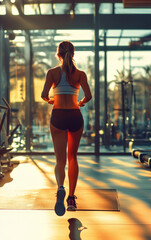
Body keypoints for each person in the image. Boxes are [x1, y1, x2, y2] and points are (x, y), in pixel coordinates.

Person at [41, 41, 92, 216]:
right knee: (72, 157)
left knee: (59, 160)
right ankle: (71, 197)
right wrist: (80, 102)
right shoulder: (80, 74)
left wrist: (52, 100)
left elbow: (43, 95)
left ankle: (60, 187)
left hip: (58, 116)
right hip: (75, 115)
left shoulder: (52, 73)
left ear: (58, 55)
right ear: (73, 54)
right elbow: (89, 96)